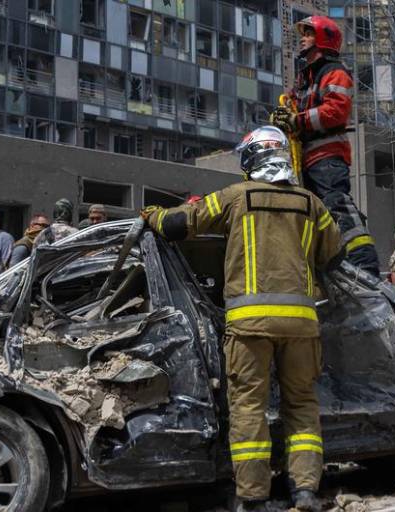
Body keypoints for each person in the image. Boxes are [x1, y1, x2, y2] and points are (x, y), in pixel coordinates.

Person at [142, 126, 342, 512]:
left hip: (250, 326)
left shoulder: (235, 197)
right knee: (301, 404)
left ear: (251, 159)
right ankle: (304, 492)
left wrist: (152, 215)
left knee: (249, 407)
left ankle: (253, 499)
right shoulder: (310, 204)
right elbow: (334, 256)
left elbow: (178, 225)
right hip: (301, 324)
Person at [271, 15, 379, 277]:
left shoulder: (334, 72)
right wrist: (284, 117)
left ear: (322, 39)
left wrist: (299, 119)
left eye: (308, 34)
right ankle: (335, 270)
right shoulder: (305, 77)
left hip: (328, 156)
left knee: (336, 206)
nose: (302, 39)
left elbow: (336, 111)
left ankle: (365, 265)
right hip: (309, 158)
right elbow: (295, 108)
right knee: (319, 215)